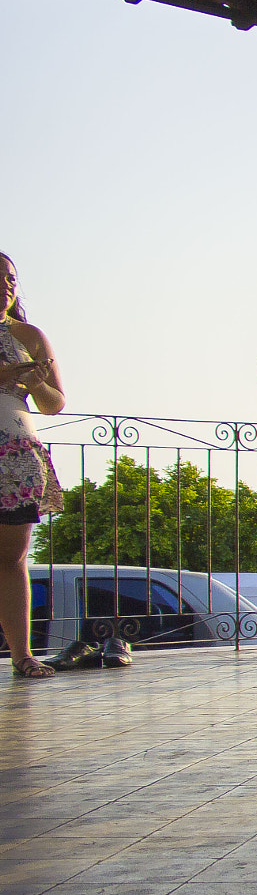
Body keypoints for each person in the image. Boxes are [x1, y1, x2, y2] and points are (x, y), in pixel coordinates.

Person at [0, 254, 66, 679]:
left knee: (12, 556)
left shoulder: (30, 335)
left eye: (11, 277)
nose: (6, 283)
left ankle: (22, 655)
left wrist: (34, 379)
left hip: (15, 457)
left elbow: (55, 403)